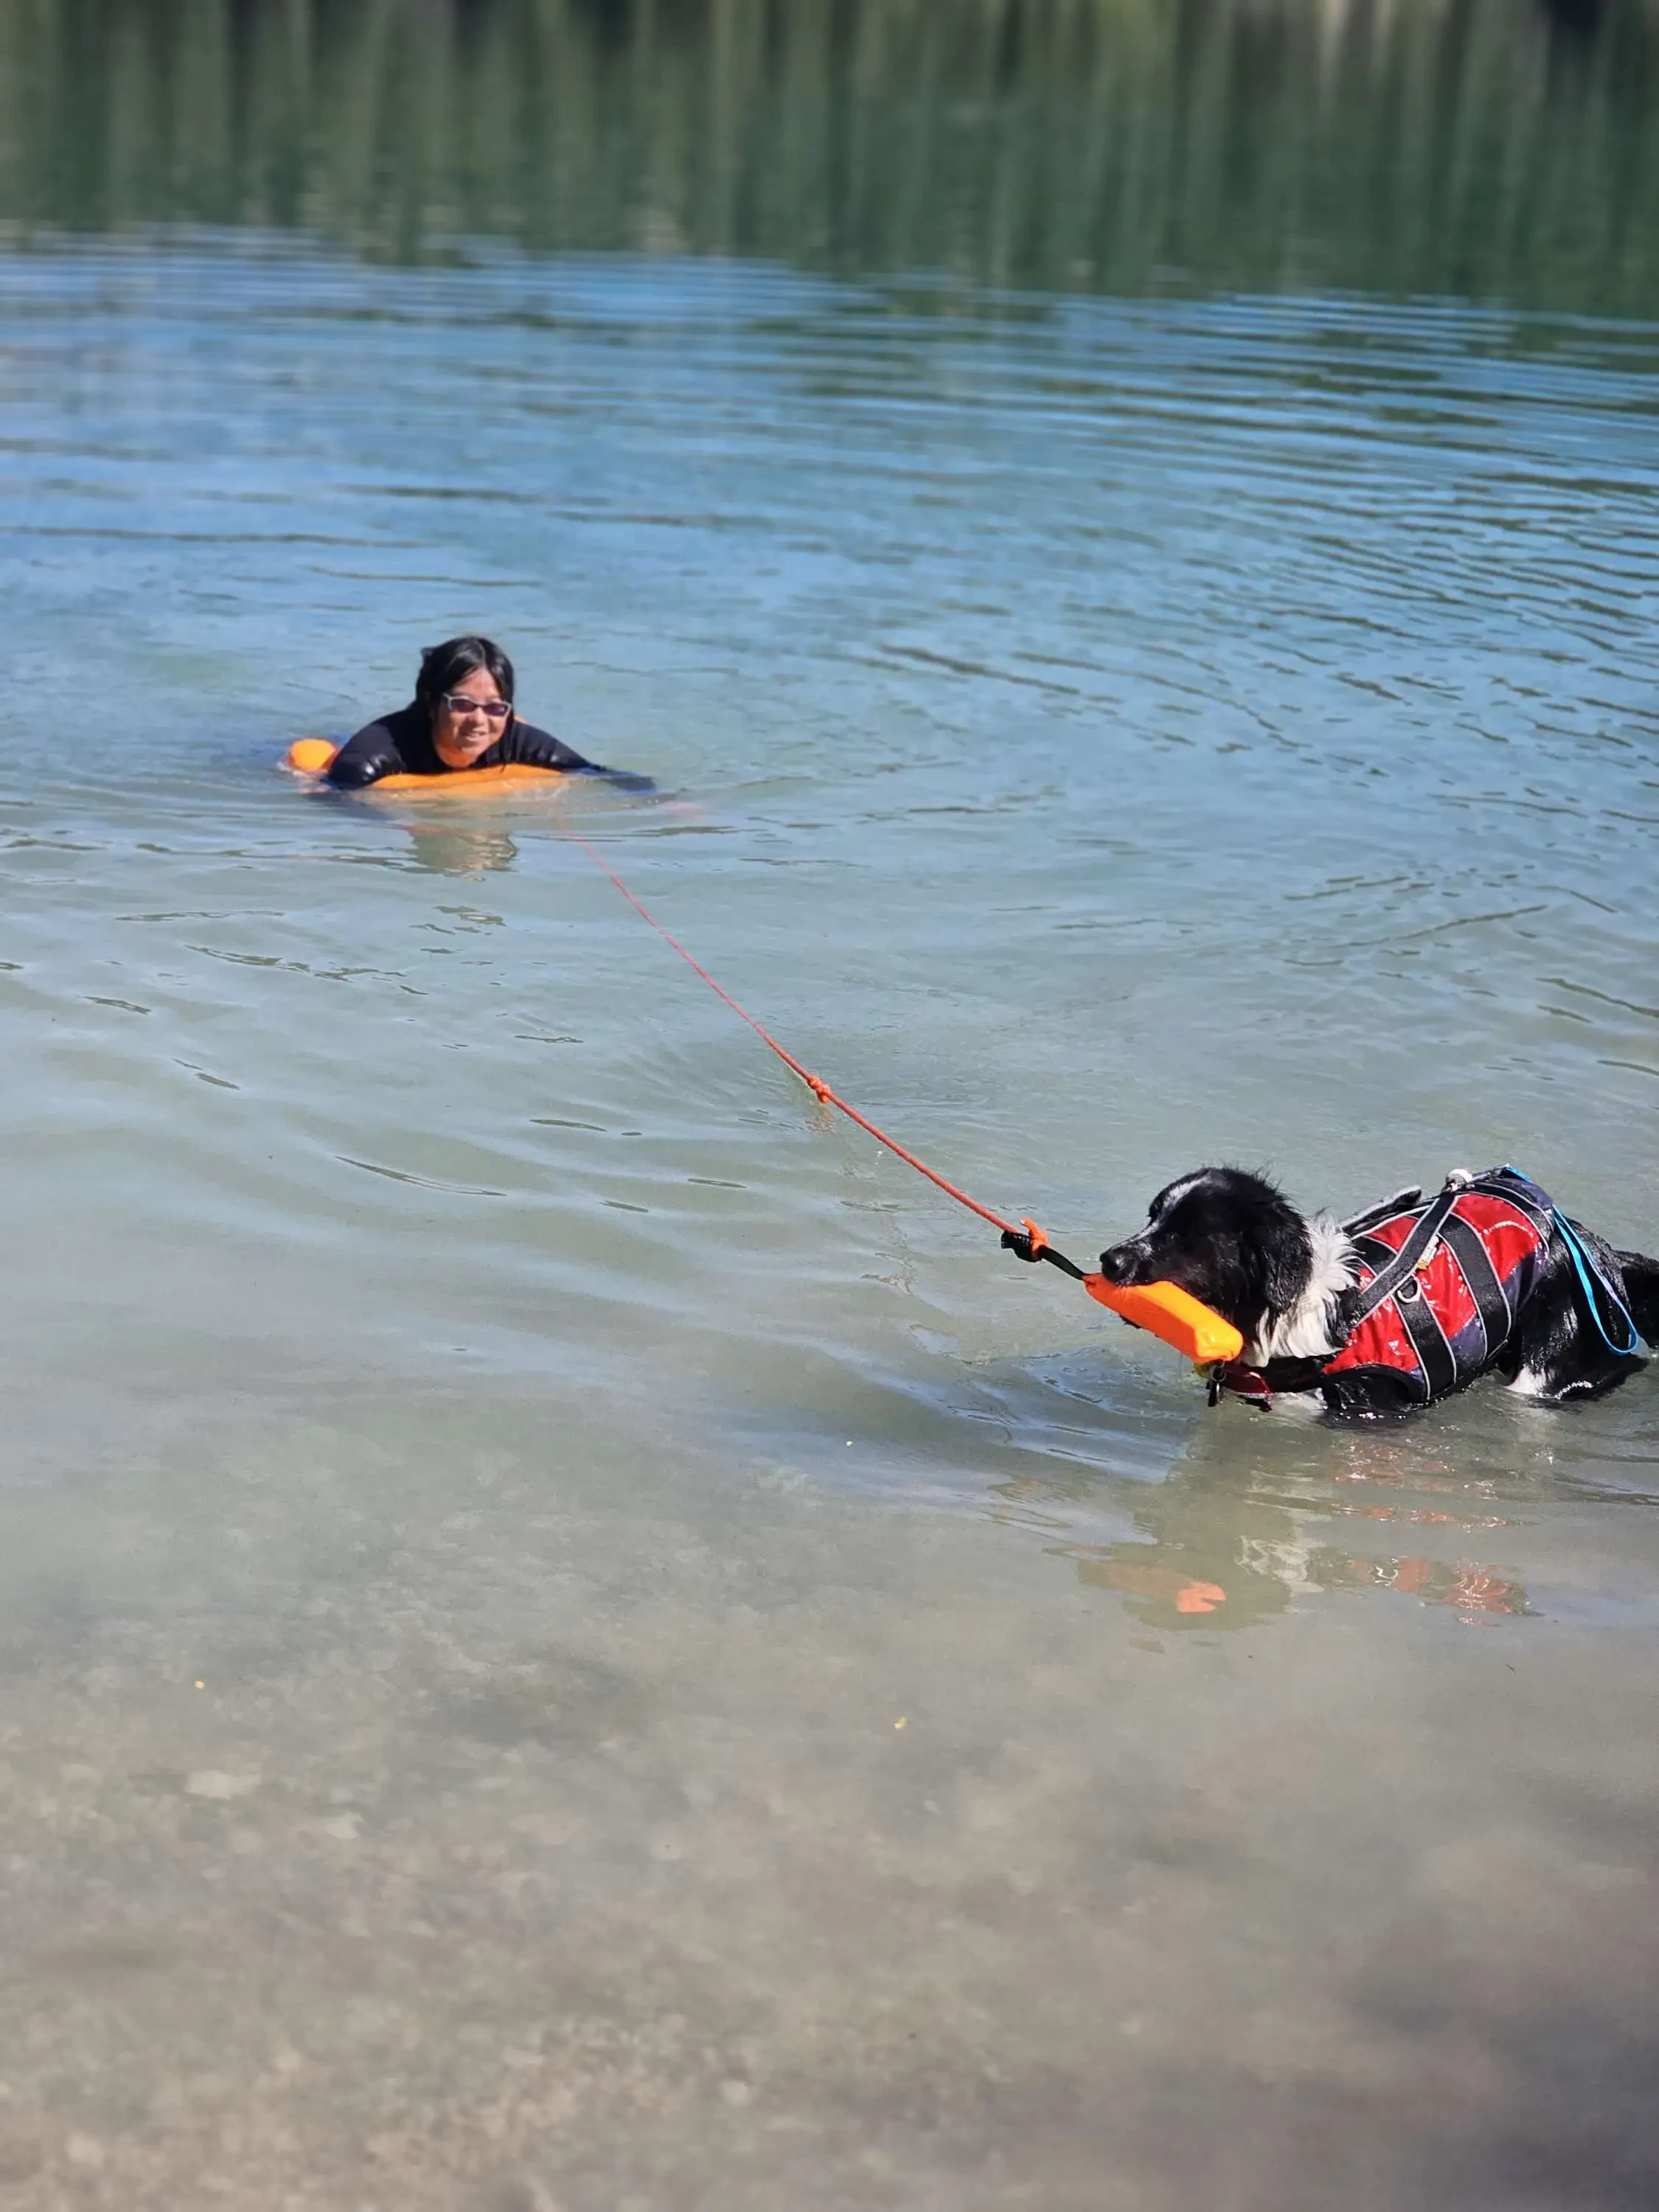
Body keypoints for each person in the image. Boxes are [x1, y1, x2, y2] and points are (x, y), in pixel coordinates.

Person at [326, 636, 651, 791]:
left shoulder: (515, 739)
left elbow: (597, 774)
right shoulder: (377, 749)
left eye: (495, 708)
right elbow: (339, 799)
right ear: (429, 700)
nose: (479, 722)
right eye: (462, 705)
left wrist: (664, 801)